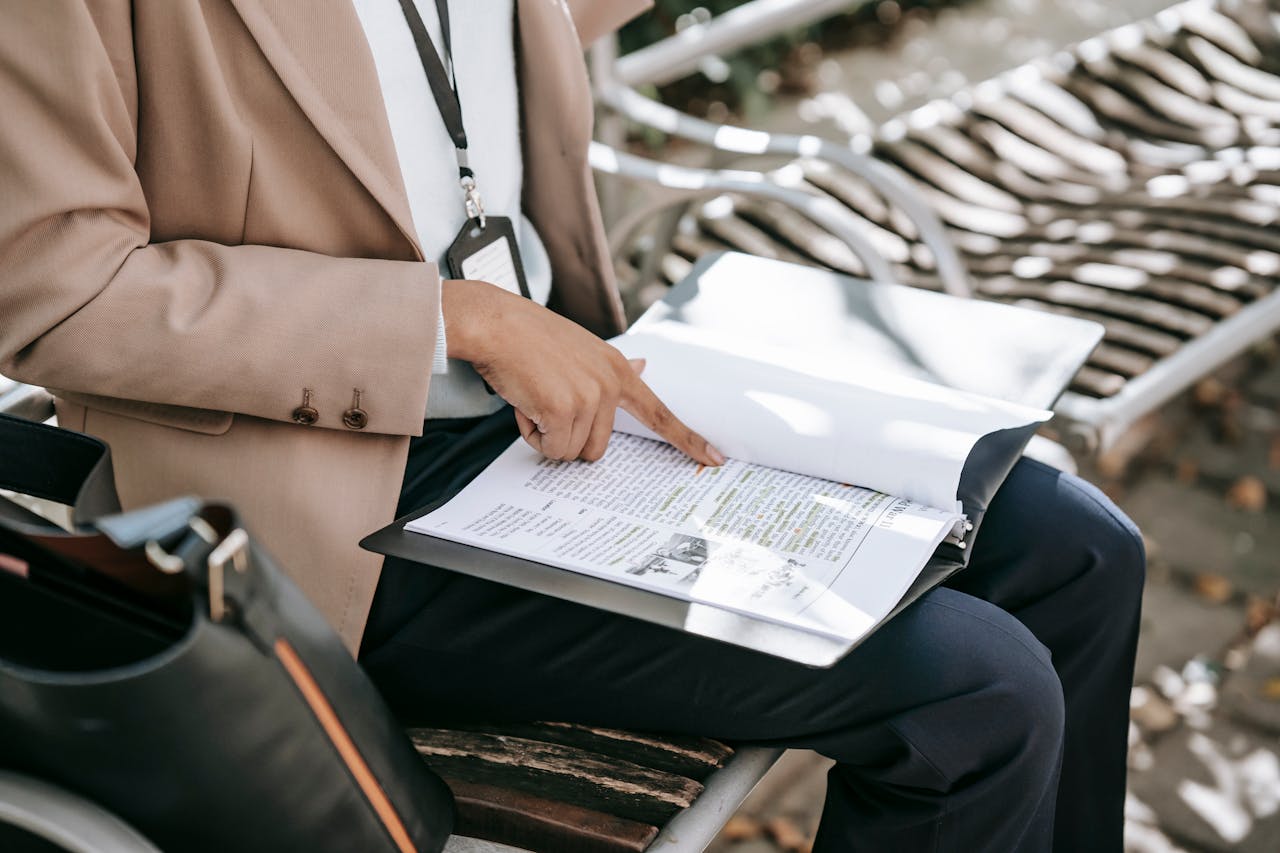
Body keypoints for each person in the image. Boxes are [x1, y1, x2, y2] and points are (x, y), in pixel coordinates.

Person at [0, 1, 1144, 849]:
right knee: (974, 693)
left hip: (567, 397)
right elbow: (55, 291)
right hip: (326, 513)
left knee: (1082, 551)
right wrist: (452, 320)